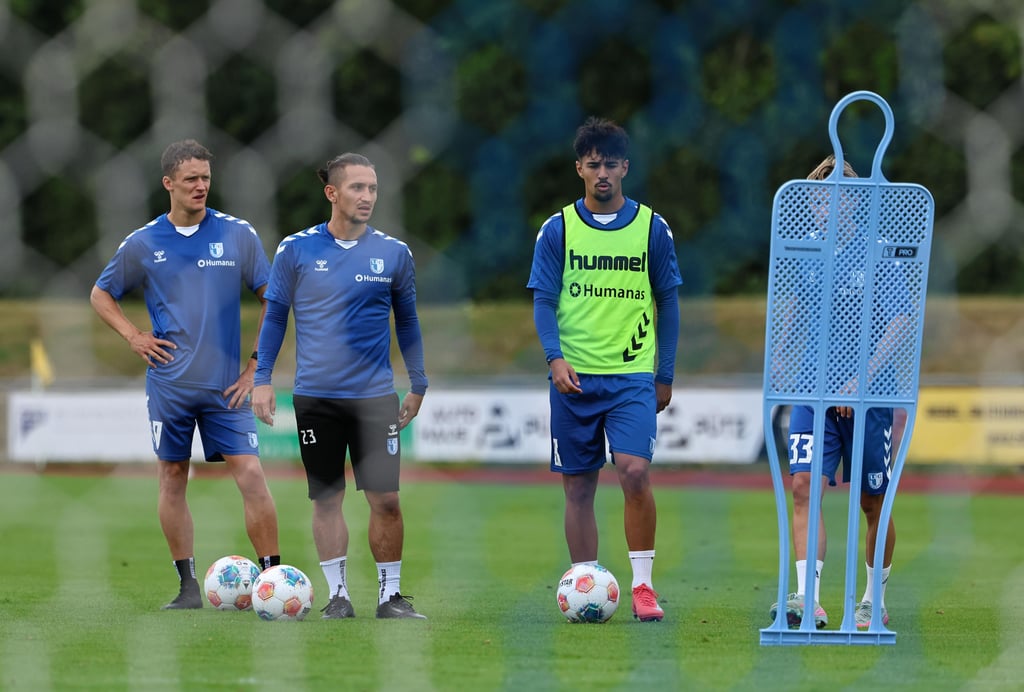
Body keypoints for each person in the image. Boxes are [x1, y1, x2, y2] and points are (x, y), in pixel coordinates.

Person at [90, 139, 281, 610]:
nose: (201, 186)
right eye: (192, 178)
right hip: (169, 385)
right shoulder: (143, 242)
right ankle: (188, 587)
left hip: (226, 388)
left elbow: (274, 300)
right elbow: (100, 294)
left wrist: (257, 367)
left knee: (253, 475)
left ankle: (274, 581)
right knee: (173, 476)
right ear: (168, 183)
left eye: (206, 178)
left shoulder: (237, 235)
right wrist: (134, 337)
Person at [252, 153, 428, 620]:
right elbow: (274, 318)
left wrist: (419, 382)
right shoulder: (296, 250)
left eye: (372, 188)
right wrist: (262, 379)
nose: (367, 197)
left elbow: (407, 322)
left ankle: (390, 597)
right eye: (357, 188)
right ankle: (338, 596)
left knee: (386, 499)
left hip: (374, 397)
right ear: (332, 193)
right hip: (317, 397)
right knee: (326, 498)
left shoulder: (394, 253)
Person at [526, 117, 682, 622]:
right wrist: (554, 357)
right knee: (579, 486)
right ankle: (585, 582)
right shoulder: (557, 229)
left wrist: (665, 373)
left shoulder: (652, 227)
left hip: (632, 376)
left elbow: (669, 303)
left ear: (625, 168)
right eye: (594, 164)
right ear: (579, 169)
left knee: (634, 471)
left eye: (612, 164)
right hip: (574, 378)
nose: (603, 174)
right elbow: (544, 301)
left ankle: (641, 587)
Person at [769, 154, 898, 630]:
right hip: (812, 391)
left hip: (871, 397)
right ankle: (807, 598)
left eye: (843, 194)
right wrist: (782, 351)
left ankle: (871, 599)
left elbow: (901, 322)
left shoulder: (878, 250)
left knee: (872, 502)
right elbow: (796, 307)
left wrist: (860, 379)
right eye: (823, 196)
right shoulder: (807, 249)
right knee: (804, 488)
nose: (831, 204)